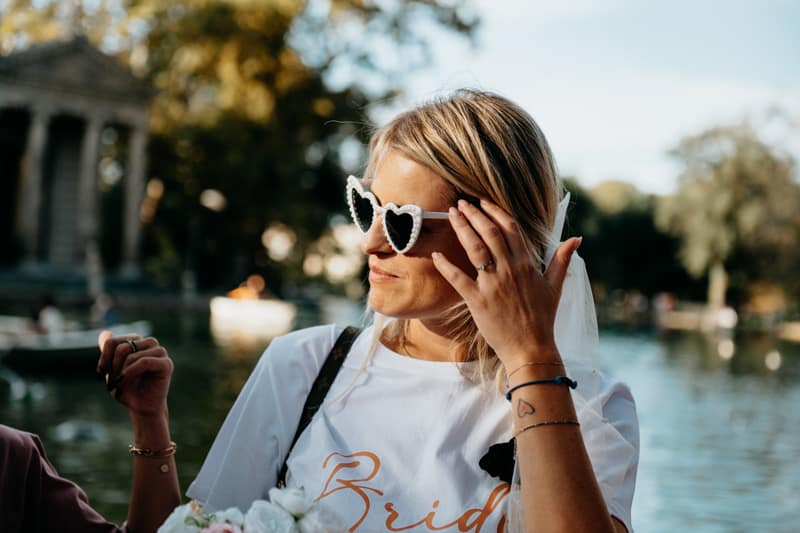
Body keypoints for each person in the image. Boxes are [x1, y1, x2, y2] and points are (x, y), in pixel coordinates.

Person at [103, 89, 639, 532]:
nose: (371, 243)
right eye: (366, 208)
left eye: (404, 222)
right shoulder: (305, 365)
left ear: (499, 238)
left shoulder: (589, 406)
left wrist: (530, 360)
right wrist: (152, 426)